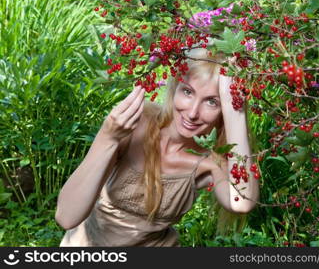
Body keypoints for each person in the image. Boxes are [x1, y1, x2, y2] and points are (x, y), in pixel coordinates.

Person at [55, 47, 259, 246]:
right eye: (187, 92)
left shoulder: (211, 163)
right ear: (174, 88)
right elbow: (66, 217)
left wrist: (235, 108)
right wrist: (107, 137)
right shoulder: (137, 123)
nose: (192, 113)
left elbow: (242, 202)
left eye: (212, 102)